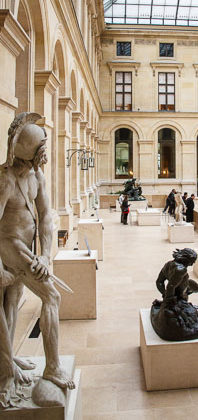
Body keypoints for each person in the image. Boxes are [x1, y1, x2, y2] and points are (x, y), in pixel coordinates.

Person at [0, 112, 75, 408]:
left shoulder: (36, 176)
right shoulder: (5, 180)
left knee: (12, 300)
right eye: (41, 148)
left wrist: (45, 255)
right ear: (30, 152)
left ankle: (8, 359)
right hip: (10, 246)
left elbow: (46, 217)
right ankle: (52, 366)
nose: (45, 154)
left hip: (28, 248)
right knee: (52, 296)